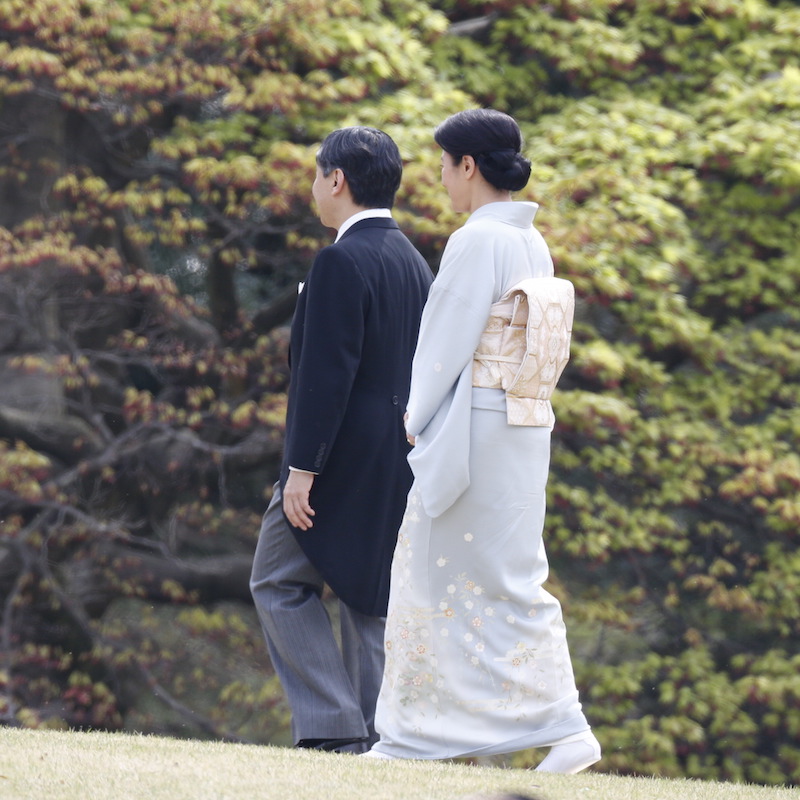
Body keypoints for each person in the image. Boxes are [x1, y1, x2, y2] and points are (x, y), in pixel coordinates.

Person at [363, 109, 601, 773]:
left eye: (443, 166)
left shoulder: (476, 241)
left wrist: (414, 414)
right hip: (523, 423)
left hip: (478, 425)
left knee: (429, 569)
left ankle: (417, 738)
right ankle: (558, 726)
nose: (440, 180)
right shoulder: (532, 242)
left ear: (468, 165)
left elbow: (444, 342)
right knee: (509, 577)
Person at [249, 126, 433, 754]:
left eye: (315, 175)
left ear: (337, 180)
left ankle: (332, 726)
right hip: (401, 457)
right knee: (368, 593)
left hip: (336, 463)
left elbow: (327, 376)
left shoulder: (339, 259)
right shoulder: (413, 259)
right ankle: (382, 736)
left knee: (276, 579)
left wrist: (303, 469)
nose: (313, 188)